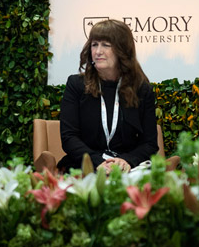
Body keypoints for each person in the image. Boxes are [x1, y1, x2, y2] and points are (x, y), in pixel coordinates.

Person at [58, 20, 158, 173]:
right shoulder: (76, 84)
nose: (98, 51)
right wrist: (97, 162)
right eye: (94, 44)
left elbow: (150, 144)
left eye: (106, 45)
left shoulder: (142, 89)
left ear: (122, 50)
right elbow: (69, 137)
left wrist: (127, 161)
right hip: (85, 166)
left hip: (128, 169)